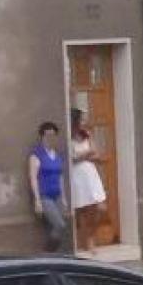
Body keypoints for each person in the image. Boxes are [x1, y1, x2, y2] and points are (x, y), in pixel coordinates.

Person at [68, 109, 108, 255]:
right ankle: (80, 241)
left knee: (99, 207)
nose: (84, 122)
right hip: (76, 175)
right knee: (80, 210)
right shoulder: (68, 137)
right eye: (81, 119)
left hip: (90, 174)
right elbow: (70, 158)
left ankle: (91, 237)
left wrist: (84, 156)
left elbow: (95, 153)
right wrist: (85, 154)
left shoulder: (87, 135)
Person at [28, 121, 68, 253]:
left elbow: (60, 176)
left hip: (57, 195)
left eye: (53, 135)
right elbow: (33, 177)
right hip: (45, 196)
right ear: (42, 137)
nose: (50, 138)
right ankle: (47, 254)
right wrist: (37, 200)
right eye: (47, 135)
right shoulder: (36, 154)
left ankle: (54, 257)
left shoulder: (57, 155)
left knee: (54, 228)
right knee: (59, 225)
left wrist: (63, 197)